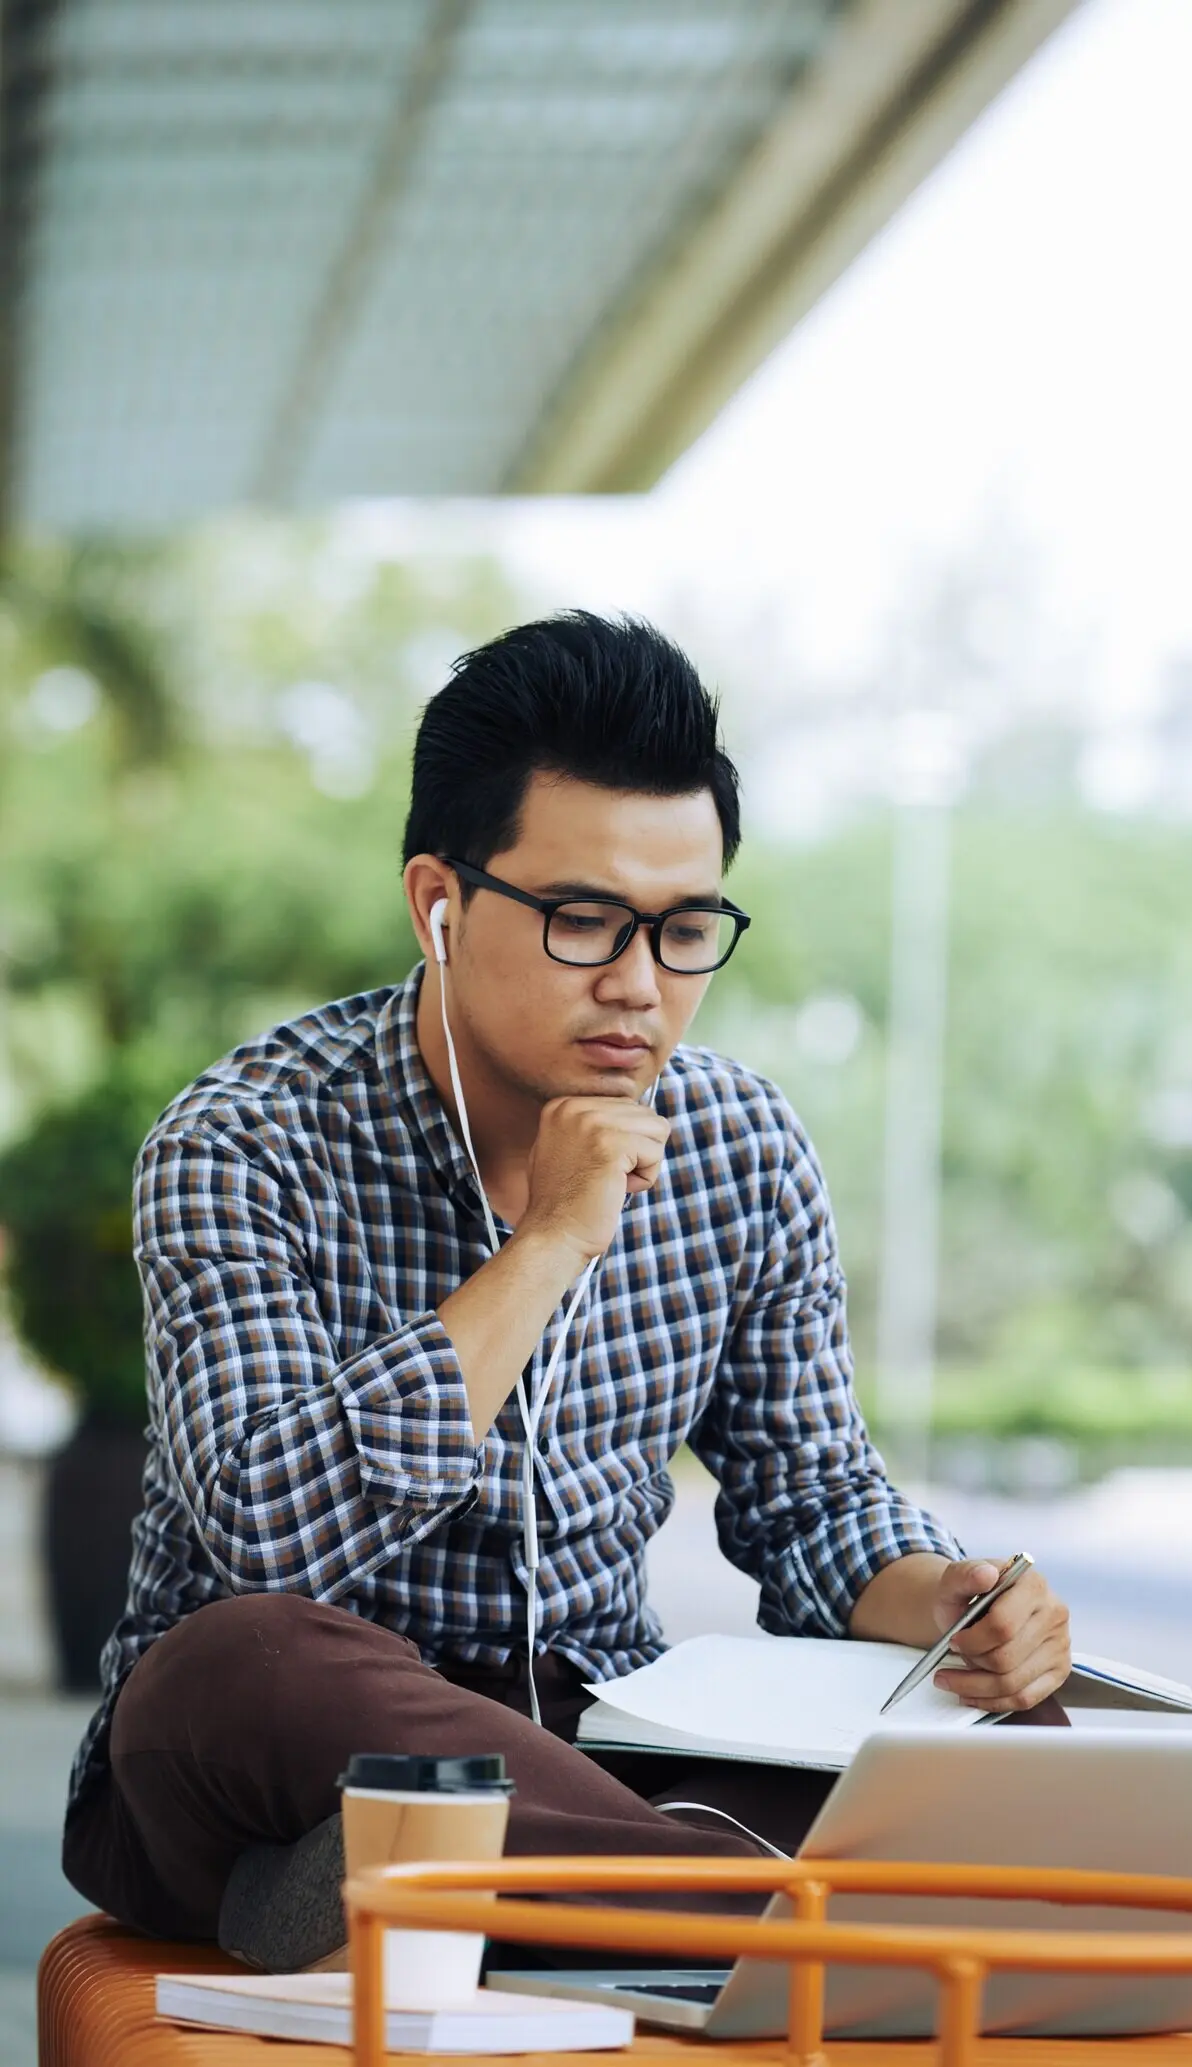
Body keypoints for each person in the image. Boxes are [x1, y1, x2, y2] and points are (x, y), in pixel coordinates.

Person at [63, 612, 1070, 1961]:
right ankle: (764, 1921)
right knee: (235, 1659)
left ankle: (477, 1888)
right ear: (438, 902)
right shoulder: (243, 1140)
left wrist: (951, 1598)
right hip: (266, 1754)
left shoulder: (743, 1145)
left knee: (1006, 1722)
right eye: (584, 921)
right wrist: (544, 1243)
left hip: (595, 1741)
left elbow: (810, 1494)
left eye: (685, 929)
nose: (640, 988)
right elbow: (267, 1533)